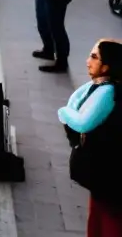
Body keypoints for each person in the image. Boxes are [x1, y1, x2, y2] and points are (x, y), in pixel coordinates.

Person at [58, 39, 122, 236]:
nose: (87, 61)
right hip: (102, 176)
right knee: (96, 219)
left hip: (110, 177)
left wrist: (64, 113)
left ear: (108, 65)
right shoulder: (100, 87)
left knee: (109, 222)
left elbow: (83, 122)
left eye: (94, 57)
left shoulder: (110, 93)